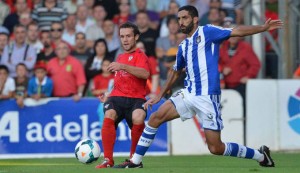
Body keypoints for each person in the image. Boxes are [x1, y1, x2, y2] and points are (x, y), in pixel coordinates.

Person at [115, 5, 283, 168]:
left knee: (216, 148)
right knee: (154, 119)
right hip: (188, 93)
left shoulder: (208, 32)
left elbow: (236, 31)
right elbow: (176, 71)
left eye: (184, 18)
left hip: (207, 96)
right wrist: (159, 95)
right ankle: (135, 162)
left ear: (195, 19)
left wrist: (262, 28)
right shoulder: (183, 46)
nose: (181, 22)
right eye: (179, 18)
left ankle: (260, 155)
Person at [95, 22, 150, 168]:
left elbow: (145, 74)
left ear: (136, 37)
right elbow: (120, 80)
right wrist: (108, 93)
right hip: (117, 97)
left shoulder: (141, 56)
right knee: (109, 114)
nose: (125, 40)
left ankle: (134, 160)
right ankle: (107, 160)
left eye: (128, 36)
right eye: (122, 36)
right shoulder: (119, 57)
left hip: (136, 99)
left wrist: (123, 66)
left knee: (138, 116)